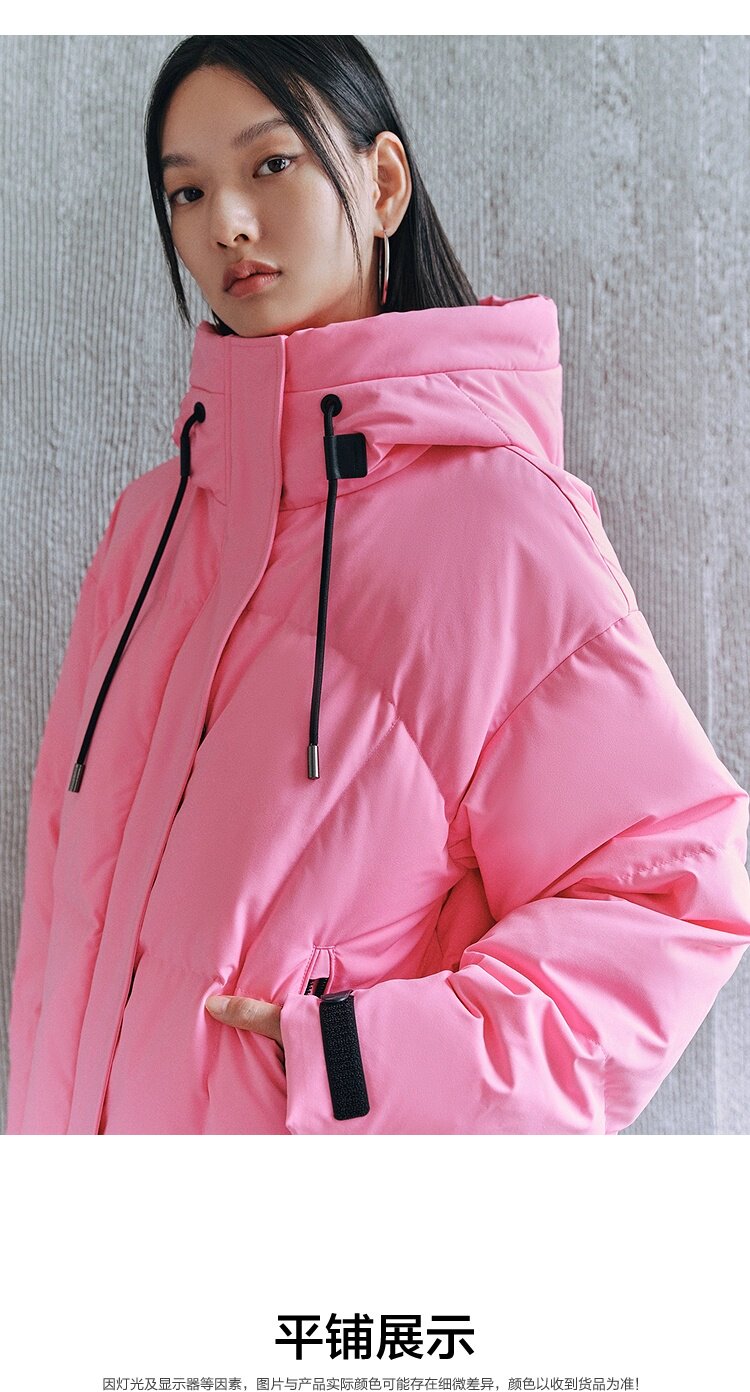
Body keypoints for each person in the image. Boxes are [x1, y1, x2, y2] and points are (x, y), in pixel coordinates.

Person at [6, 35, 750, 1136]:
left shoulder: (495, 525)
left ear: (383, 182)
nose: (228, 224)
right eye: (187, 191)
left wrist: (355, 1065)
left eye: (271, 165)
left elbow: (668, 891)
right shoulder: (152, 526)